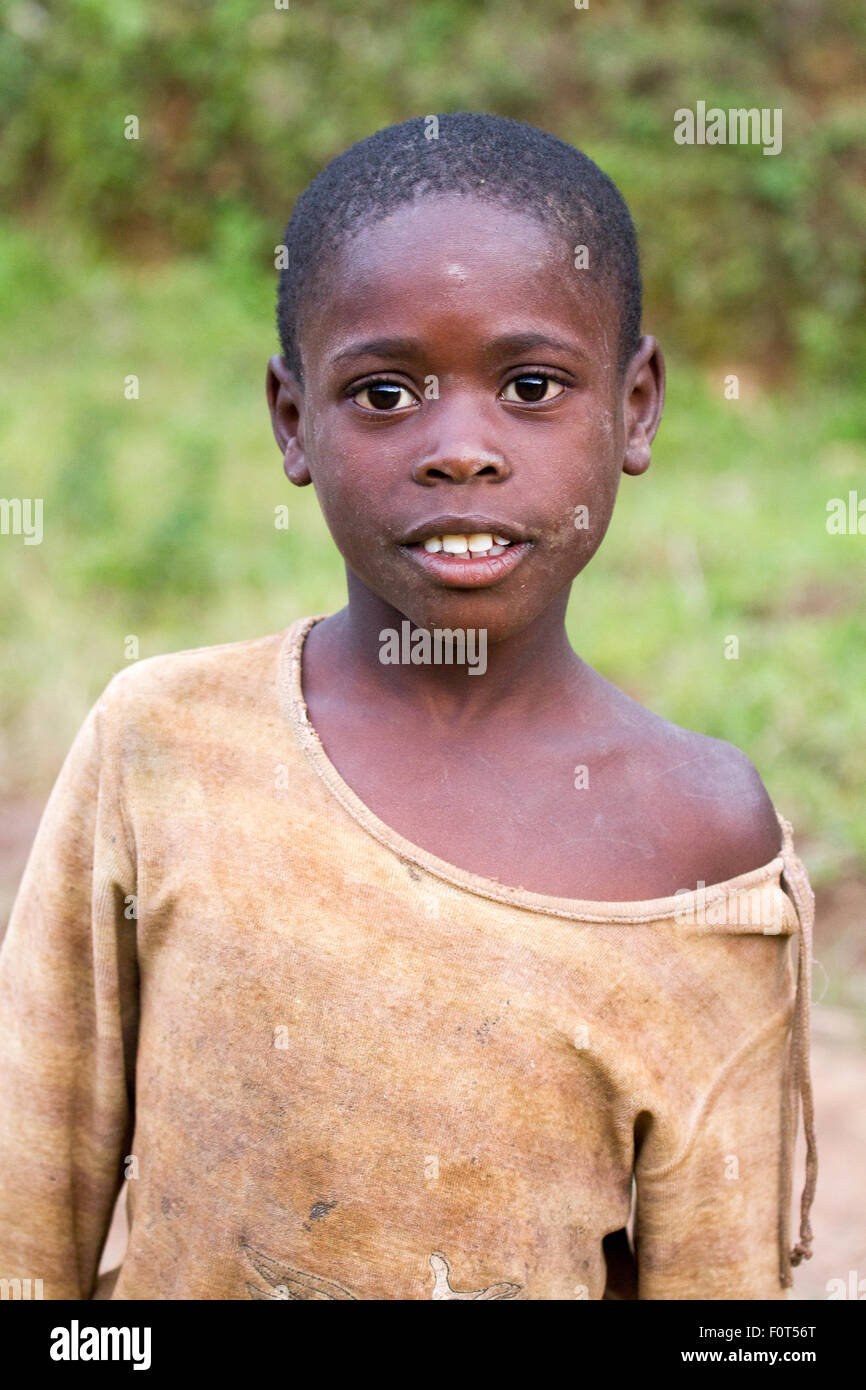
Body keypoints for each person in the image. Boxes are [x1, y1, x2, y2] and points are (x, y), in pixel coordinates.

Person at [0, 113, 816, 1300]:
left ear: (634, 406)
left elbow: (721, 1301)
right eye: (384, 394)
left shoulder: (697, 838)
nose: (459, 450)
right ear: (293, 421)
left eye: (531, 385)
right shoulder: (165, 742)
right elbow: (31, 1190)